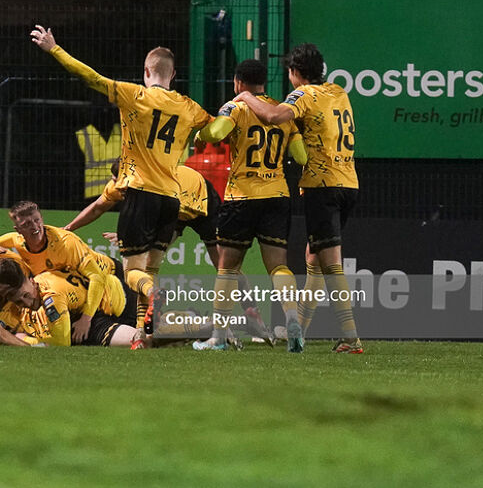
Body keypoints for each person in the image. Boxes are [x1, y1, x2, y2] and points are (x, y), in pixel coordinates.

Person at [31, 25, 215, 344]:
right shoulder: (189, 107)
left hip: (141, 193)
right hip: (172, 200)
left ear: (146, 71)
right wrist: (199, 137)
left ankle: (151, 303)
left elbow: (91, 77)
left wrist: (54, 49)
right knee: (151, 271)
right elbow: (216, 129)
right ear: (174, 74)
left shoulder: (135, 96)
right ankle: (144, 334)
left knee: (133, 274)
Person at [231, 44, 363, 354]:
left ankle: (350, 336)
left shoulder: (304, 95)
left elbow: (275, 116)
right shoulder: (338, 91)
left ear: (294, 73)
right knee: (313, 259)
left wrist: (246, 97)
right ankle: (299, 330)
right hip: (348, 182)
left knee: (331, 264)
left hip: (323, 185)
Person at [68, 159, 276, 346]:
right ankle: (142, 331)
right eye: (113, 180)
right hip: (172, 212)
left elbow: (153, 219)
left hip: (200, 201)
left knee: (224, 268)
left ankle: (254, 317)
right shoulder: (124, 186)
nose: (115, 185)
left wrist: (133, 237)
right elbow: (97, 207)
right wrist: (67, 229)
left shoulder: (152, 188)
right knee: (147, 267)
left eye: (119, 179)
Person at [191, 59, 307, 353]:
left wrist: (200, 134)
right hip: (277, 196)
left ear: (238, 83)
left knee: (227, 268)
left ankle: (218, 337)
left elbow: (216, 134)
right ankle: (293, 322)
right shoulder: (283, 112)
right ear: (263, 83)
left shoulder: (237, 108)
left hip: (241, 198)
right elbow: (301, 156)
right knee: (279, 266)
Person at [0, 259, 137, 347]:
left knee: (146, 336)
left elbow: (61, 344)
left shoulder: (52, 297)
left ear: (32, 281)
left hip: (116, 299)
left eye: (26, 296)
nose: (26, 303)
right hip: (88, 313)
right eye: (19, 301)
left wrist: (29, 341)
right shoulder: (34, 284)